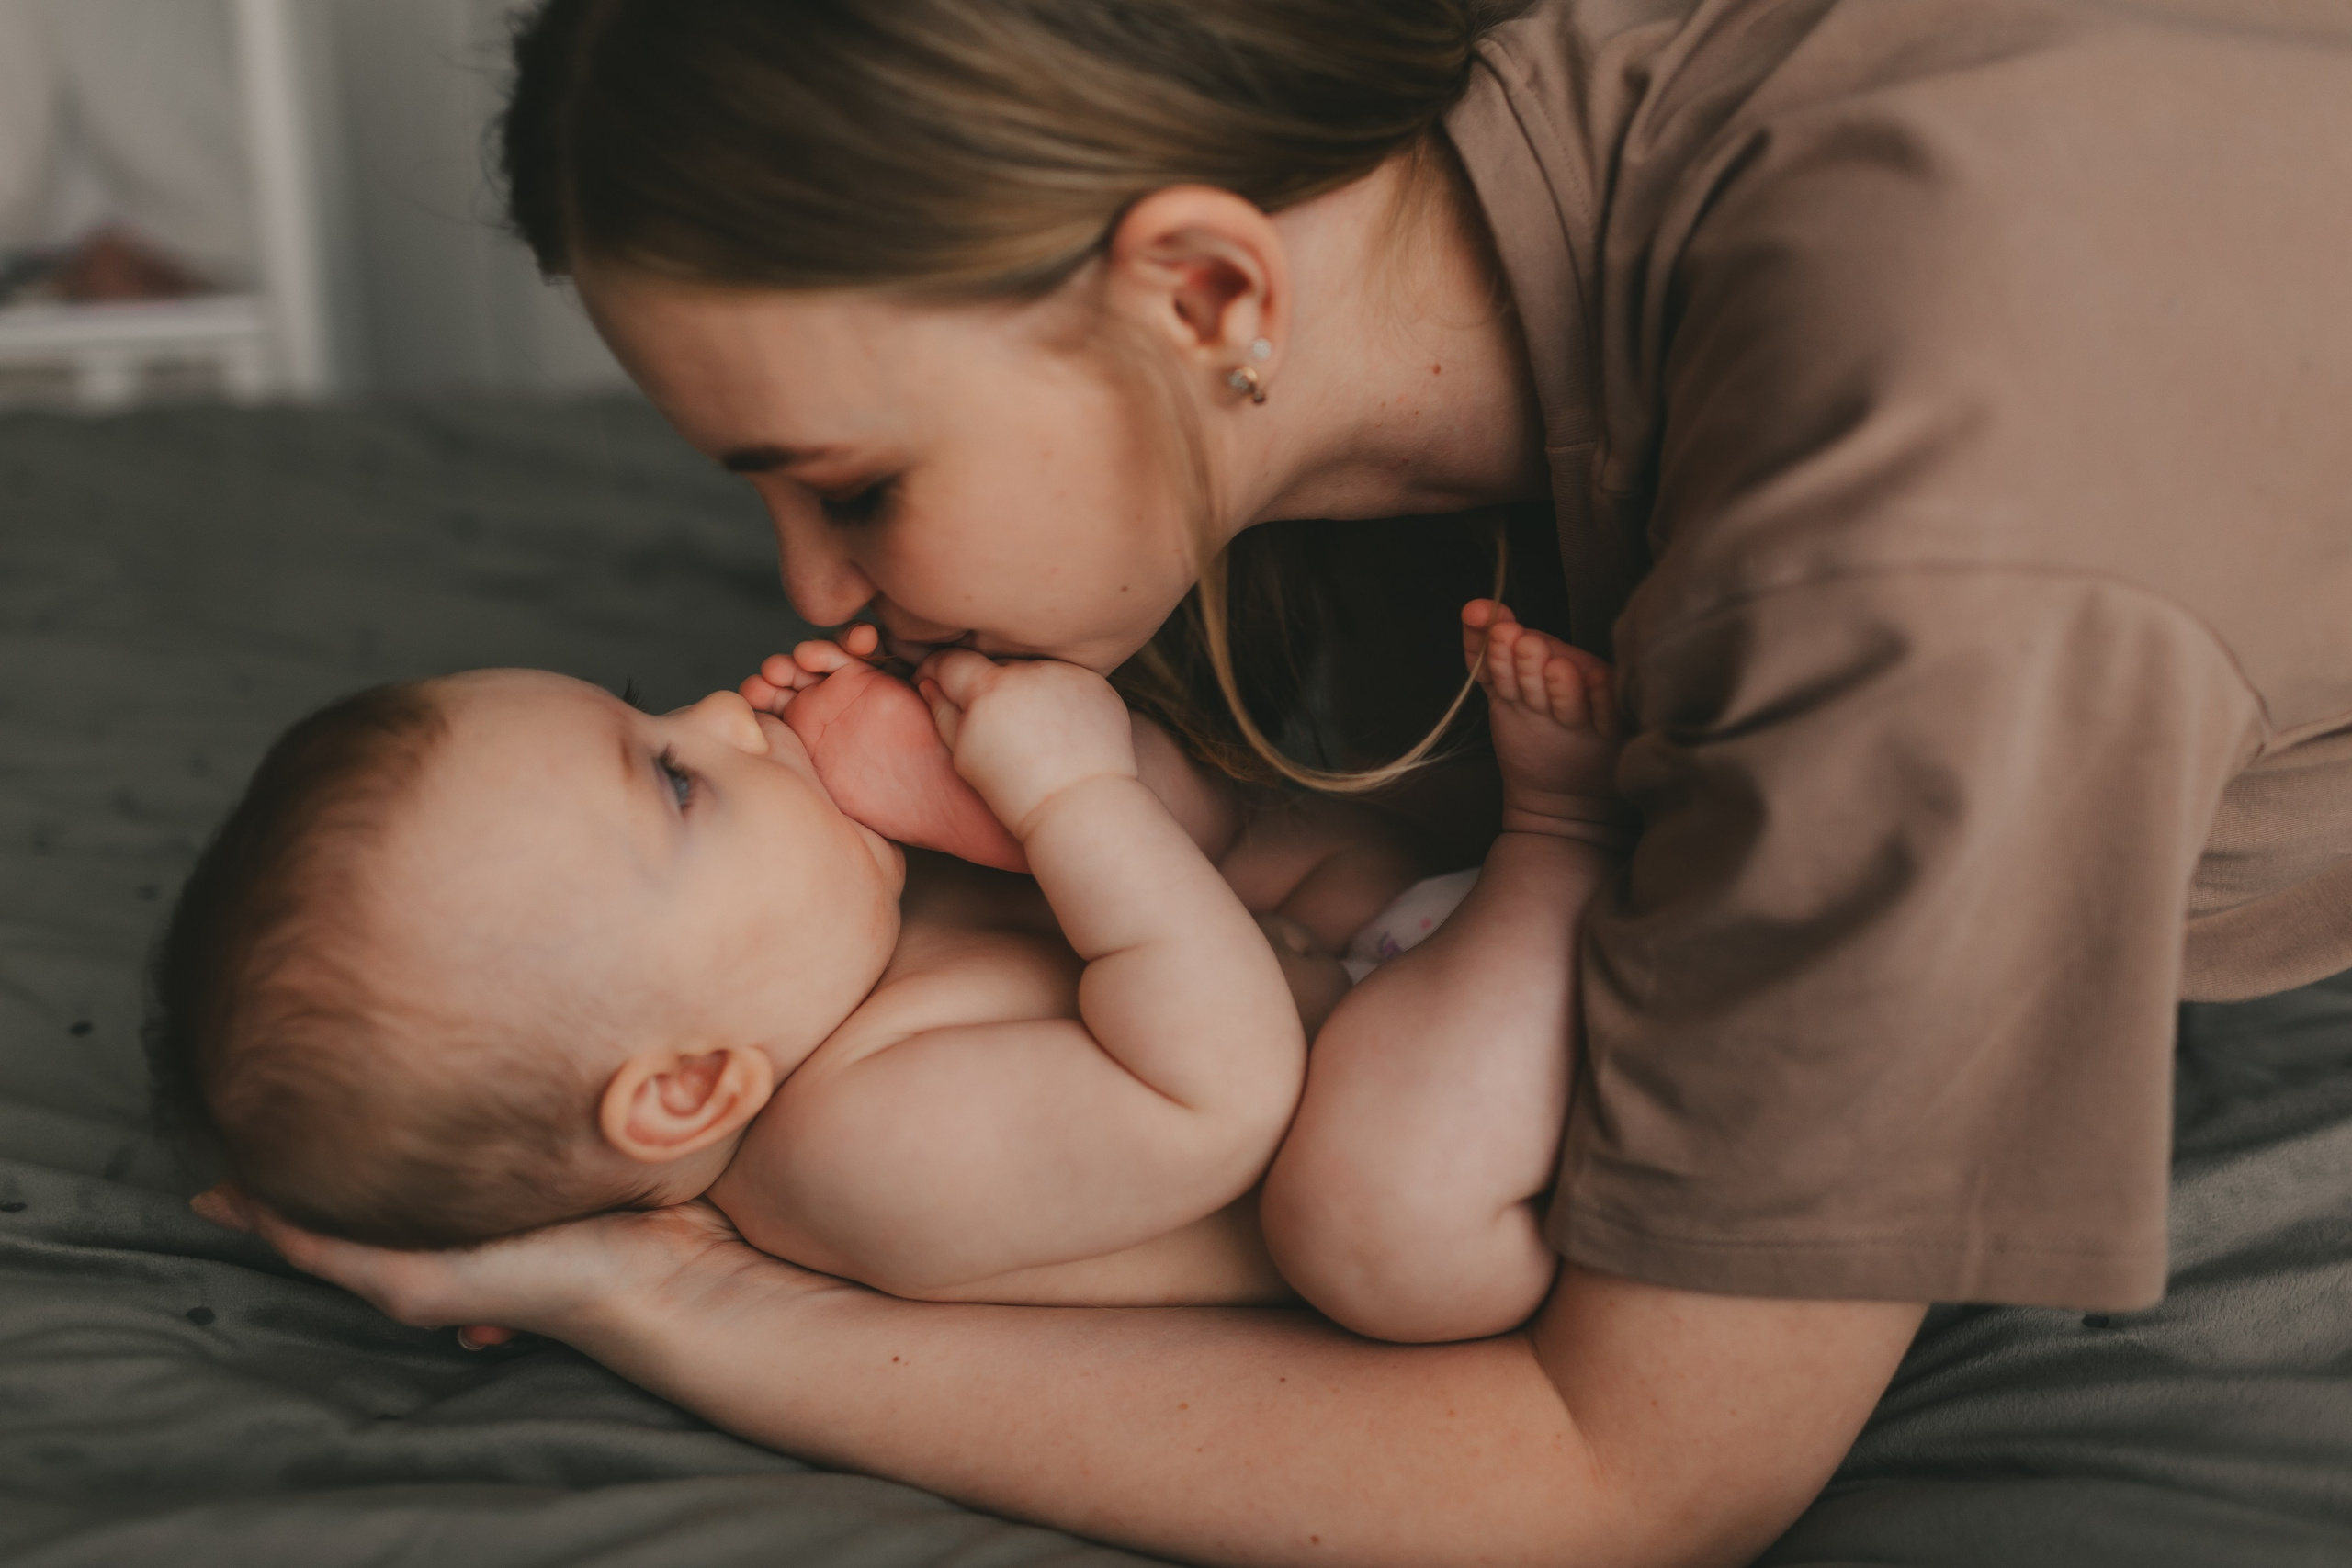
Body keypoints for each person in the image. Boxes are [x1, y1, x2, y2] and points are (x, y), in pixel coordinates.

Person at [192, 0, 2352, 1562]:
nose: (801, 600)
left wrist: (667, 1293)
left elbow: (1628, 1479)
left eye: (852, 482)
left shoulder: (1918, 596)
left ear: (1209, 285)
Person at [162, 605, 1625, 1337]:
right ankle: (1560, 839)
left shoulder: (817, 961)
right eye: (675, 781)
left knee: (1248, 846)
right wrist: (1066, 809)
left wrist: (991, 775)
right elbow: (1224, 1083)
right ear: (684, 1090)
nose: (725, 709)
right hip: (1447, 1128)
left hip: (1373, 963)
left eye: (642, 709)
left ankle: (1513, 871)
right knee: (1376, 1217)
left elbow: (1184, 898)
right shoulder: (858, 1155)